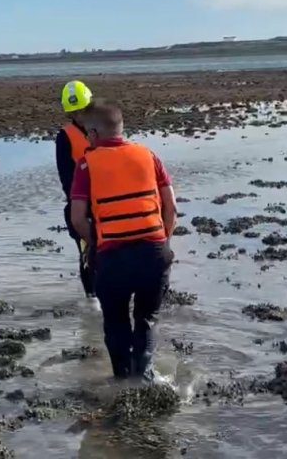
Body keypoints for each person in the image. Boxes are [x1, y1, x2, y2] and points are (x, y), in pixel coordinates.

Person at [69, 103, 177, 380]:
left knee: (115, 322)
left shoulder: (86, 163)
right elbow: (171, 206)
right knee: (146, 319)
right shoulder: (148, 155)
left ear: (93, 133)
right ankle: (144, 377)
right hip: (154, 254)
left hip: (113, 258)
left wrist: (97, 244)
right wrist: (162, 240)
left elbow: (78, 218)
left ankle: (121, 382)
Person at [56, 80, 97, 298]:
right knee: (87, 252)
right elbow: (66, 178)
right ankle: (92, 301)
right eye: (75, 112)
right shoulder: (64, 137)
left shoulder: (103, 127)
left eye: (83, 110)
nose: (80, 115)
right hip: (81, 207)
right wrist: (81, 208)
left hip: (107, 203)